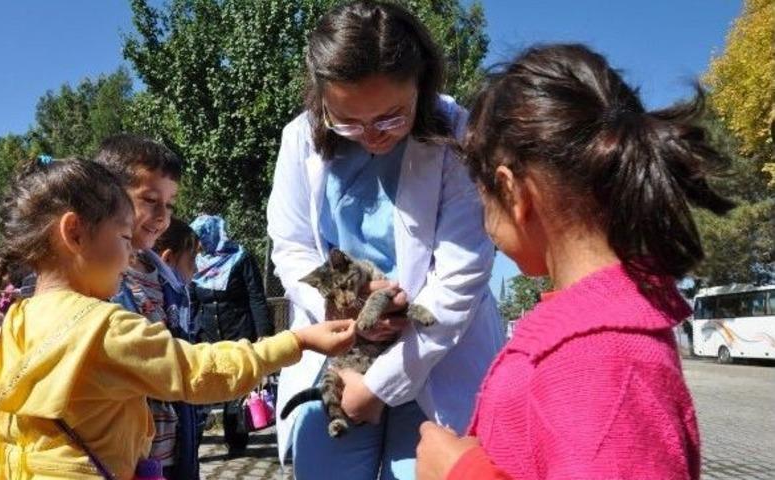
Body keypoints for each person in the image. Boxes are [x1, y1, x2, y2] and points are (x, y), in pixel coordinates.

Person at [415, 44, 735, 480]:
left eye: (481, 192)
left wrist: (460, 471)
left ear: (512, 192)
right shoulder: (588, 341)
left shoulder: (602, 361)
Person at [0, 156, 357, 479]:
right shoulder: (101, 327)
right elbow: (199, 371)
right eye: (123, 239)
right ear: (74, 233)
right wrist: (298, 342)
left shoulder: (13, 320)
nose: (128, 256)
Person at [267, 2, 504, 478]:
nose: (372, 136)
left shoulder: (457, 131)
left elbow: (462, 274)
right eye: (349, 122)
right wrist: (346, 310)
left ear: (422, 83)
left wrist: (378, 385)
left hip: (436, 353)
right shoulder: (300, 139)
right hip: (341, 350)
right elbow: (291, 247)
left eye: (392, 118)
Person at [95, 135, 196, 479]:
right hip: (118, 461)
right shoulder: (94, 281)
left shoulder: (170, 284)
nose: (161, 217)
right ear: (106, 197)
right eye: (150, 200)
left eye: (170, 205)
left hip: (170, 456)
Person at [190, 214, 274, 456]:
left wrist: (264, 334)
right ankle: (192, 444)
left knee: (235, 390)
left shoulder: (241, 258)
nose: (198, 243)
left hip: (238, 331)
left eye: (201, 237)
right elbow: (193, 301)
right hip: (207, 335)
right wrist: (189, 334)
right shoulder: (196, 262)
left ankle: (236, 444)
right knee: (200, 388)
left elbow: (256, 297)